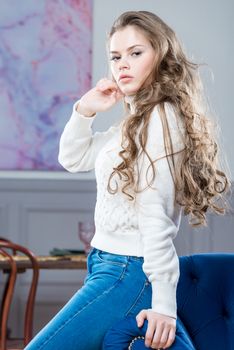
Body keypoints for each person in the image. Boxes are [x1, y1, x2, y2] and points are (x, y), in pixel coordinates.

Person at [25, 10, 230, 350]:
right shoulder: (136, 121)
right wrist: (86, 109)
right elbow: (72, 158)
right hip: (107, 265)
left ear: (161, 55)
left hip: (127, 271)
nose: (123, 64)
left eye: (136, 53)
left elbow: (156, 217)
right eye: (116, 56)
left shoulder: (160, 120)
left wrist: (165, 306)